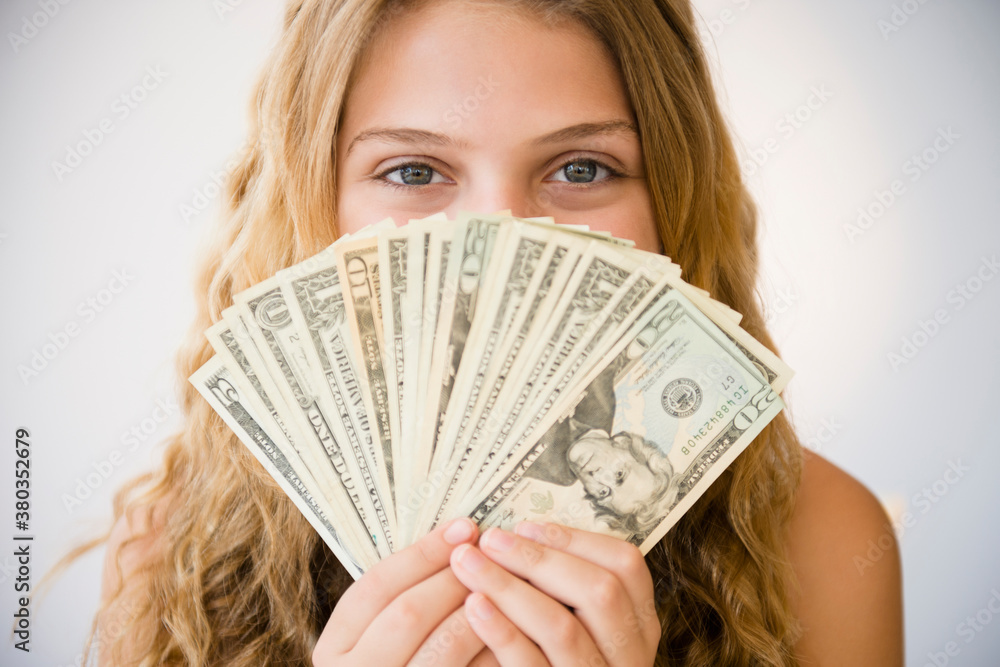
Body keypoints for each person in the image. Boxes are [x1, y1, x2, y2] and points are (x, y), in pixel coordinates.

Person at [85, 0, 903, 664]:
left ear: (671, 203)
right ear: (316, 203)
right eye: (414, 171)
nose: (497, 240)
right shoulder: (170, 553)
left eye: (581, 168)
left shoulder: (823, 541)